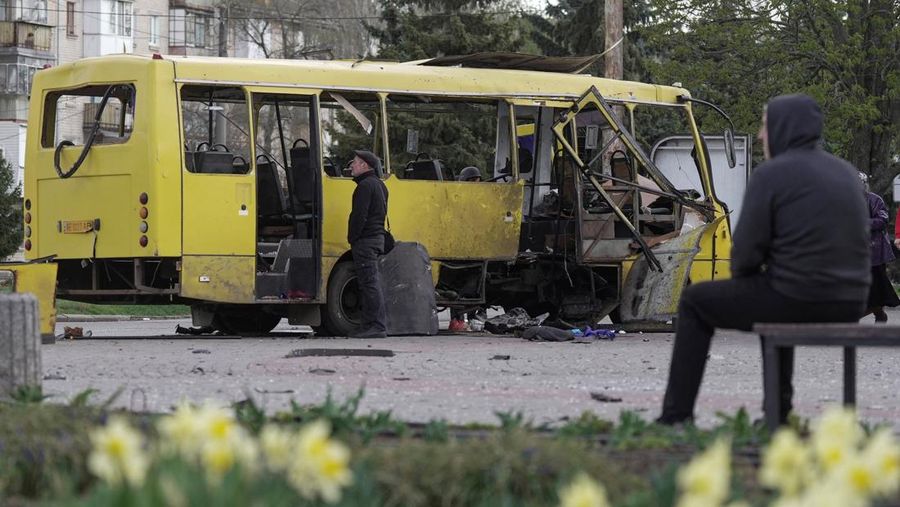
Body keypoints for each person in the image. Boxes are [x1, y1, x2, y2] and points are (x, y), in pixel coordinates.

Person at [656, 94, 870, 426]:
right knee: (772, 294)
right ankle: (777, 414)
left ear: (782, 129)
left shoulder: (772, 174)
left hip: (798, 299)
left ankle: (675, 417)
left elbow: (744, 254)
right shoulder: (845, 172)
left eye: (764, 126)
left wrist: (752, 274)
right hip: (852, 301)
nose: (759, 136)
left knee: (696, 301)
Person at [347, 150, 388, 338]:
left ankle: (377, 326)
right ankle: (368, 325)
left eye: (355, 163)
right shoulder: (380, 185)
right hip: (377, 238)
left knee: (369, 284)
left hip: (366, 240)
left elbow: (359, 216)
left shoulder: (364, 186)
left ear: (365, 166)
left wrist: (353, 238)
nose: (351, 166)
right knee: (369, 283)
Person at [860, 172, 899, 321]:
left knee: (877, 290)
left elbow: (883, 220)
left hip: (874, 253)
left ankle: (879, 315)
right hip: (853, 252)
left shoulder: (875, 200)